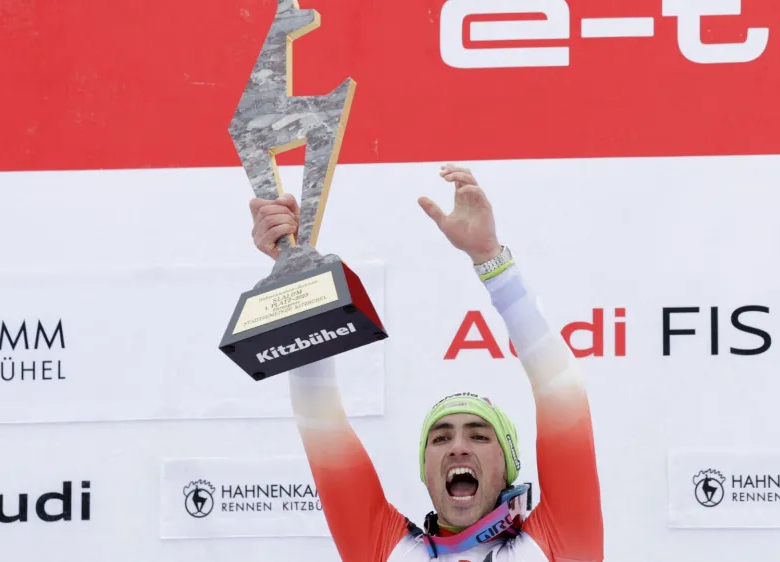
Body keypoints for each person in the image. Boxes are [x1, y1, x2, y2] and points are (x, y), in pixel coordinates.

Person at [249, 164, 604, 561]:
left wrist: (490, 260)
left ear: (508, 469)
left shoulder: (555, 546)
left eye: (479, 435)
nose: (457, 447)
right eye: (440, 438)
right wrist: (298, 271)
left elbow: (561, 388)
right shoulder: (388, 550)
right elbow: (319, 419)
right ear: (425, 470)